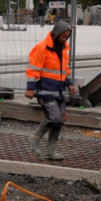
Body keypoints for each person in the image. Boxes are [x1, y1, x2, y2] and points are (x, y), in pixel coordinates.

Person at [25, 20, 77, 160]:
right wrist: (30, 88)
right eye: (63, 36)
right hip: (45, 90)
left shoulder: (64, 49)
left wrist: (69, 83)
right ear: (57, 34)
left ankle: (51, 151)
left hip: (58, 91)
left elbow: (64, 69)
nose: (65, 39)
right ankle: (35, 138)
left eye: (67, 37)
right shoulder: (42, 48)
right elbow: (33, 69)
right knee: (54, 117)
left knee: (59, 121)